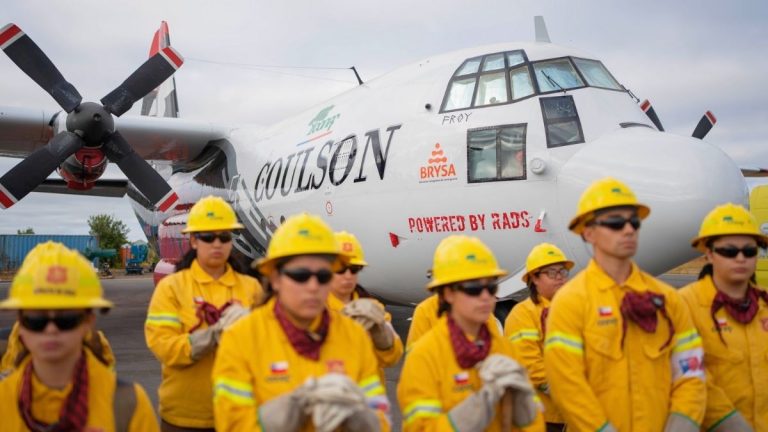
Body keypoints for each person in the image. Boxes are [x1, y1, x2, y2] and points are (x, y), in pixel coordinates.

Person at [543, 177, 706, 431]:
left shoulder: (667, 299)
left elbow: (691, 370)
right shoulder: (571, 302)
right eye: (616, 222)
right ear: (588, 232)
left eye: (634, 222)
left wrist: (683, 422)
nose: (628, 230)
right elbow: (567, 383)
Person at [212, 213, 390, 431]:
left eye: (323, 276)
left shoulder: (355, 336)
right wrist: (278, 417)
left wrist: (363, 419)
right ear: (275, 279)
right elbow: (231, 424)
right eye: (300, 275)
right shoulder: (241, 339)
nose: (313, 286)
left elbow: (380, 413)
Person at [0, 241, 158, 431]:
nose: (51, 330)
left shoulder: (128, 405)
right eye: (36, 319)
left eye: (67, 318)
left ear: (88, 322)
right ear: (20, 323)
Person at [397, 235, 544, 431]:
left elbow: (532, 424)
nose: (485, 296)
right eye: (474, 288)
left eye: (491, 287)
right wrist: (475, 409)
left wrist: (524, 406)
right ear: (448, 294)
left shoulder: (504, 349)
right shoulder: (425, 356)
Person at [145, 196, 261, 431]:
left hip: (240, 417)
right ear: (194, 240)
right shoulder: (172, 288)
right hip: (185, 418)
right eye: (208, 237)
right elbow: (164, 348)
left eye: (224, 236)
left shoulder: (251, 288)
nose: (217, 244)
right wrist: (212, 336)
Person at [679, 203, 768, 431]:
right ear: (709, 254)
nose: (741, 258)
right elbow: (687, 378)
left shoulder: (765, 305)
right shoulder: (684, 306)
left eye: (749, 251)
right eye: (729, 251)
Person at [504, 243, 573, 432]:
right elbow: (530, 368)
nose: (560, 278)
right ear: (534, 278)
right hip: (541, 416)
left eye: (562, 272)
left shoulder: (571, 309)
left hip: (573, 411)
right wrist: (567, 391)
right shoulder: (522, 314)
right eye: (552, 273)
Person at [328, 231, 403, 385]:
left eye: (354, 269)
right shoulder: (313, 309)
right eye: (340, 269)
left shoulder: (373, 308)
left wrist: (382, 337)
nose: (348, 275)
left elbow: (392, 358)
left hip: (371, 403)